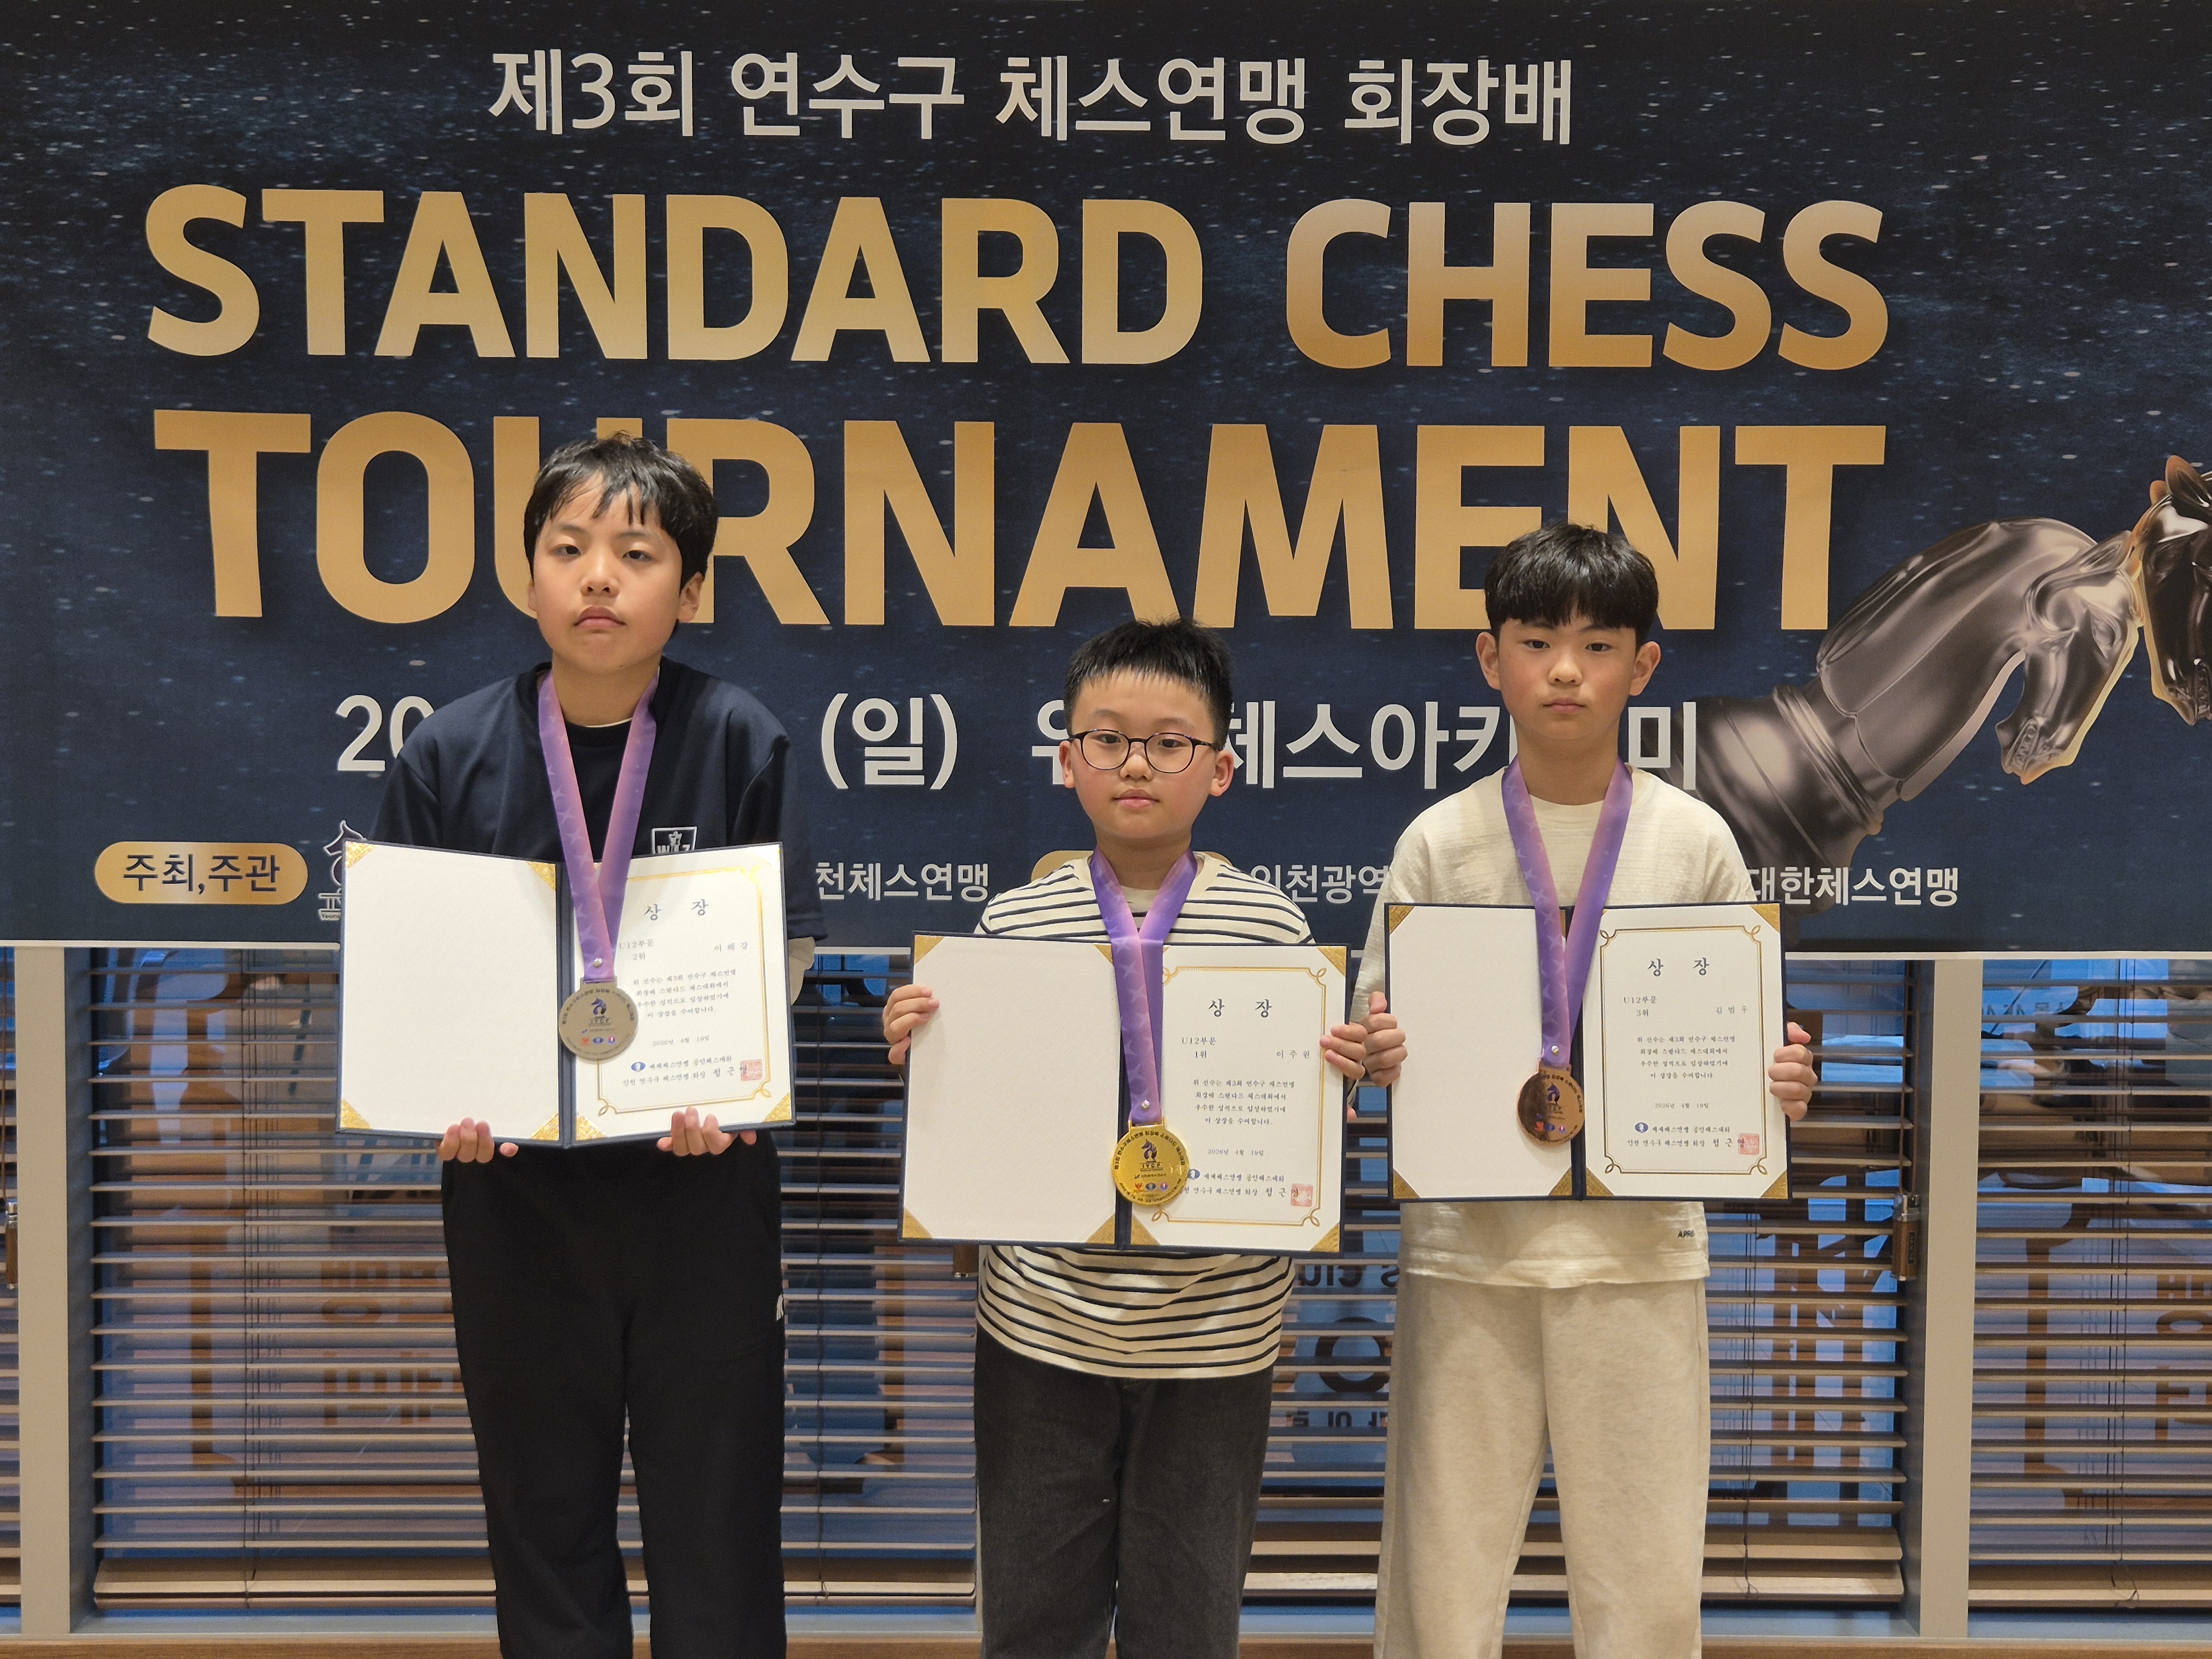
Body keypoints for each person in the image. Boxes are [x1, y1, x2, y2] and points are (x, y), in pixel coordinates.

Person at [371, 431, 822, 1659]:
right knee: (542, 1514)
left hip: (700, 1186)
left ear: (692, 588)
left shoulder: (740, 740)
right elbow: (410, 972)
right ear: (528, 574)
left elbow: (781, 957)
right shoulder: (447, 753)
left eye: (636, 552)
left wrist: (739, 1085)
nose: (598, 577)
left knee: (718, 1518)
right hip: (515, 1189)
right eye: (567, 548)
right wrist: (440, 1098)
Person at [1354, 522, 1820, 1659]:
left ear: (1642, 666)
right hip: (1468, 1255)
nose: (1565, 671)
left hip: (1640, 1258)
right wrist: (1375, 1053)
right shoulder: (1438, 843)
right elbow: (1376, 1040)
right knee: (1439, 1577)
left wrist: (1777, 1083)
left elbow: (1742, 1039)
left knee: (1646, 1585)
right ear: (1490, 658)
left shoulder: (1693, 841)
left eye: (1598, 646)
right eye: (1536, 642)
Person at [880, 619, 1369, 1659]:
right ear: (1067, 759)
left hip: (1218, 1339)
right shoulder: (1008, 931)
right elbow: (976, 1132)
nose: (1136, 764)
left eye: (1170, 742)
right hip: (1041, 1332)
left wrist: (1339, 1086)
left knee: (1188, 1627)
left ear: (1222, 769)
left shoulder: (1277, 935)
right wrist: (928, 1052)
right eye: (1108, 739)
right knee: (1033, 1625)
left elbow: (1316, 1126)